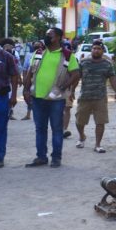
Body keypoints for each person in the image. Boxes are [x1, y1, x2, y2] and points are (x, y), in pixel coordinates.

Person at [23, 27, 80, 168]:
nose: (47, 37)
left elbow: (76, 74)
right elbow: (30, 73)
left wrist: (63, 87)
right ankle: (41, 157)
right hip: (37, 98)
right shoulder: (38, 53)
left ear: (59, 37)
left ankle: (56, 158)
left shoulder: (67, 55)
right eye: (46, 35)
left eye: (51, 35)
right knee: (40, 129)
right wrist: (25, 89)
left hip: (56, 99)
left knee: (56, 129)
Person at [76, 41, 116, 153]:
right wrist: (71, 91)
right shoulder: (84, 63)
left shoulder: (107, 64)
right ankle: (82, 136)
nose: (96, 50)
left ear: (102, 51)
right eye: (94, 48)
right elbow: (76, 77)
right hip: (85, 96)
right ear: (91, 50)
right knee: (79, 122)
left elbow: (113, 78)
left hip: (100, 97)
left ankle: (98, 145)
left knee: (100, 122)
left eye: (98, 49)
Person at [0, 28, 19, 168]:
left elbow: (14, 76)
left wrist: (13, 96)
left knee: (1, 129)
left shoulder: (7, 57)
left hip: (1, 98)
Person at [20, 40, 44, 120]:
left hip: (39, 80)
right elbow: (25, 68)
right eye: (35, 45)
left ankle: (35, 113)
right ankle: (30, 112)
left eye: (39, 45)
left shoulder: (44, 54)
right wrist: (24, 78)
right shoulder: (29, 55)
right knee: (26, 95)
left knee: (36, 96)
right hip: (30, 78)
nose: (37, 47)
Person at [0, 38, 21, 120]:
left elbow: (17, 68)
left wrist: (18, 78)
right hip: (2, 81)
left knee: (8, 96)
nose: (9, 49)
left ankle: (9, 112)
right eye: (6, 47)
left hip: (9, 79)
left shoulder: (15, 55)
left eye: (10, 47)